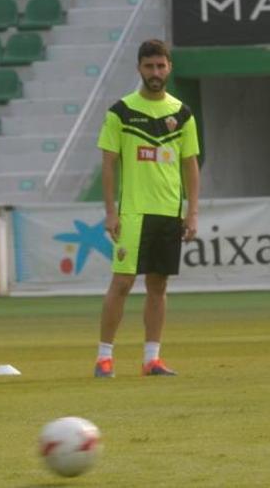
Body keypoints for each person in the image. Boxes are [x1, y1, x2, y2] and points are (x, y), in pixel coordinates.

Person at [93, 39, 200, 378]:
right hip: (134, 214)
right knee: (122, 283)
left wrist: (192, 211)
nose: (155, 72)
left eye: (161, 66)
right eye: (149, 66)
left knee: (158, 286)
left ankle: (152, 359)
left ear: (169, 67)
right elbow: (108, 164)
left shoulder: (182, 113)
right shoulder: (121, 112)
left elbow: (191, 164)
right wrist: (111, 211)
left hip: (169, 212)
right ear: (139, 68)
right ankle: (104, 357)